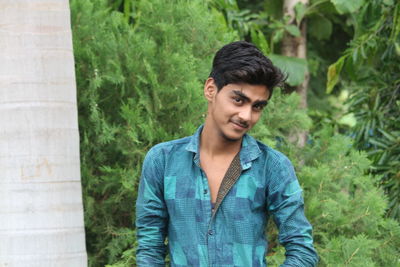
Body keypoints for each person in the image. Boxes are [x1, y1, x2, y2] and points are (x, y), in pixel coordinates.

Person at [136, 41, 318, 267]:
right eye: (238, 99)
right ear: (210, 89)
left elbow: (301, 249)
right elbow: (149, 249)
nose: (246, 116)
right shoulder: (163, 161)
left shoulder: (272, 167)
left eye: (257, 106)